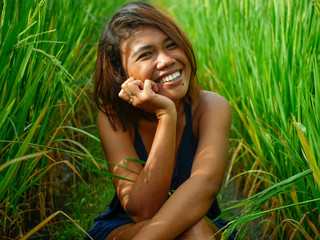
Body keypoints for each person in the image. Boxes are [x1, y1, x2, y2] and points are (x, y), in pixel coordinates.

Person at [85, 1, 236, 239]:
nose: (165, 60)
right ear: (121, 74)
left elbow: (204, 187)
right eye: (146, 54)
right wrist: (167, 115)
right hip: (126, 227)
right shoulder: (114, 119)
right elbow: (143, 210)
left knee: (194, 228)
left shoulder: (212, 107)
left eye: (171, 45)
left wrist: (167, 112)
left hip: (199, 222)